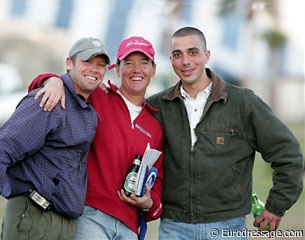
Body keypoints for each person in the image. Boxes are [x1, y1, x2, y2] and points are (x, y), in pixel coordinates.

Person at [145, 27, 304, 239]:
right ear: (171, 59)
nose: (185, 61)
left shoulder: (243, 103)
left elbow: (288, 153)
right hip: (174, 227)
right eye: (177, 54)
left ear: (207, 55)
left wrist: (276, 205)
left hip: (227, 227)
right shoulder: (157, 106)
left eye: (193, 52)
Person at [27, 36, 164, 240]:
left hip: (129, 227)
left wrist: (149, 202)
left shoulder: (154, 126)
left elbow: (157, 180)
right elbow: (46, 88)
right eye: (128, 63)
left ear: (153, 70)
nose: (137, 69)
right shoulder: (97, 96)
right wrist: (51, 80)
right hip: (90, 216)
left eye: (144, 63)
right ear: (116, 69)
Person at [0, 37, 110, 240]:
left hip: (63, 223)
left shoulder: (87, 108)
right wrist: (52, 81)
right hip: (34, 216)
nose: (94, 70)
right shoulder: (48, 100)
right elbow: (5, 146)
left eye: (100, 65)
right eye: (87, 62)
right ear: (69, 63)